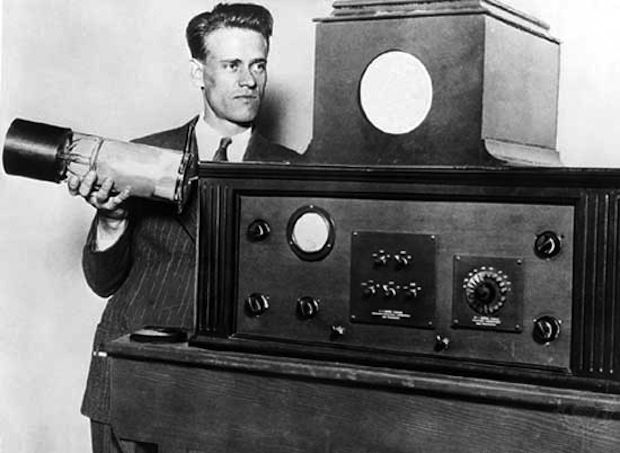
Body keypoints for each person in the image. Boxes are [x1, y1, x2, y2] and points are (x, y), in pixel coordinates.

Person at [67, 3, 300, 451]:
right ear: (199, 73)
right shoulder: (142, 158)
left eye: (258, 64)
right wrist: (113, 218)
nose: (249, 80)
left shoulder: (297, 173)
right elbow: (102, 281)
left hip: (236, 397)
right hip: (132, 381)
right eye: (231, 65)